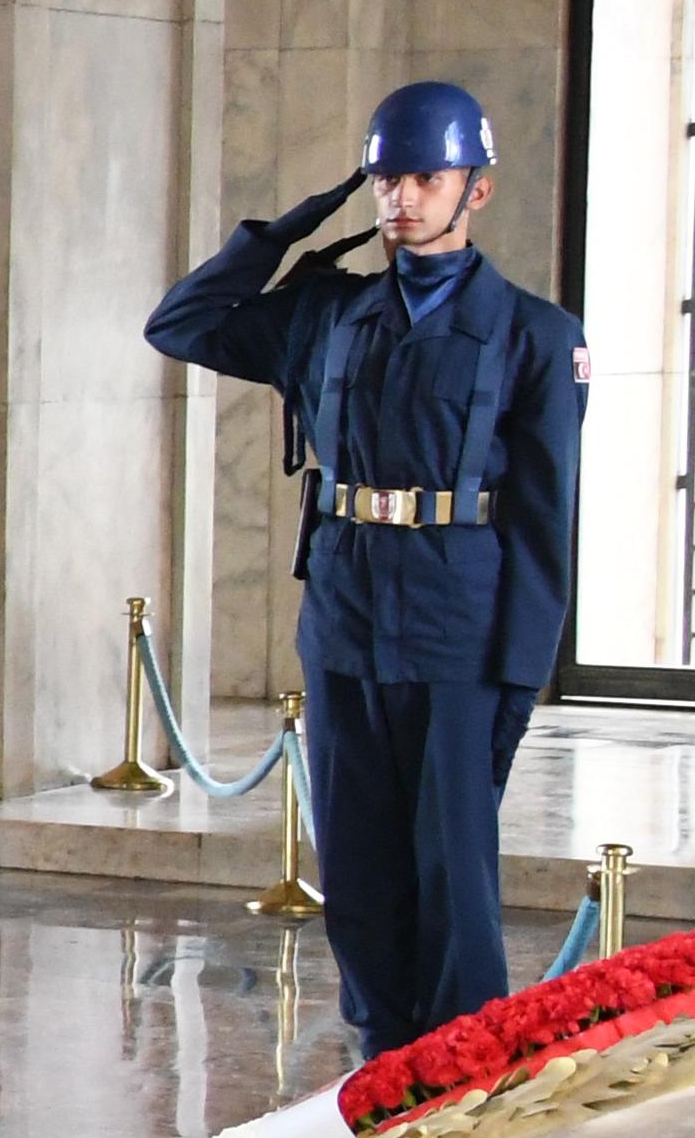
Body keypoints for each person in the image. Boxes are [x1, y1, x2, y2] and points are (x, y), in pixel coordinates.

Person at [147, 81, 586, 1053]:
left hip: (458, 623)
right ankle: (379, 1046)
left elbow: (543, 518)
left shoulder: (533, 337)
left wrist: (519, 676)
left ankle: (464, 1054)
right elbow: (178, 323)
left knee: (450, 863)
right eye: (385, 177)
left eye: (423, 177)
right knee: (356, 857)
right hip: (345, 610)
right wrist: (292, 227)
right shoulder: (322, 316)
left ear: (473, 189)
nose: (400, 197)